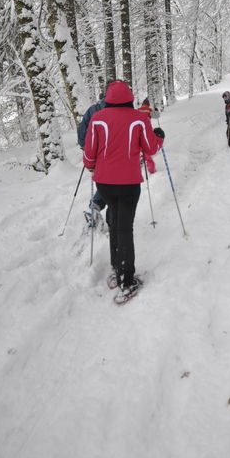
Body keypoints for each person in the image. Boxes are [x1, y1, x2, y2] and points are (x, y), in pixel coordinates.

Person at [83, 81, 164, 301]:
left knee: (114, 221)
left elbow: (89, 152)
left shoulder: (98, 119)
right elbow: (150, 147)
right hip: (128, 184)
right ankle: (126, 281)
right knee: (124, 227)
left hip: (104, 184)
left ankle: (116, 268)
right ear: (130, 97)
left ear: (107, 98)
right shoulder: (139, 118)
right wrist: (160, 137)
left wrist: (91, 166)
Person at [77, 83, 117, 228]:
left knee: (104, 181)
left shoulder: (92, 110)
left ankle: (95, 206)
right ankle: (108, 212)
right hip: (115, 154)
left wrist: (85, 148)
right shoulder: (122, 109)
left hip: (96, 154)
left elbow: (82, 132)